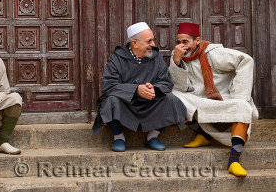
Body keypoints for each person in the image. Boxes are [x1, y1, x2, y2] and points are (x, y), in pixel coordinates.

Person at [168, 22, 258, 177]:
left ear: (197, 41)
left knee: (242, 107)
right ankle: (204, 135)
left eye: (185, 42)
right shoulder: (178, 56)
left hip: (222, 100)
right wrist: (176, 62)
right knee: (173, 95)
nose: (181, 46)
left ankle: (234, 160)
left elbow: (246, 60)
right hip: (199, 100)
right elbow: (181, 87)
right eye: (179, 42)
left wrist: (238, 96)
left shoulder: (213, 53)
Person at [92, 22, 186, 152]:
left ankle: (152, 137)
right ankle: (119, 137)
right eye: (149, 41)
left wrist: (154, 89)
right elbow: (110, 86)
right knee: (110, 101)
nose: (153, 44)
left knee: (171, 100)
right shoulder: (116, 58)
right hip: (126, 103)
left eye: (153, 40)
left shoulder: (156, 57)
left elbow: (166, 82)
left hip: (150, 102)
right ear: (135, 43)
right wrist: (136, 90)